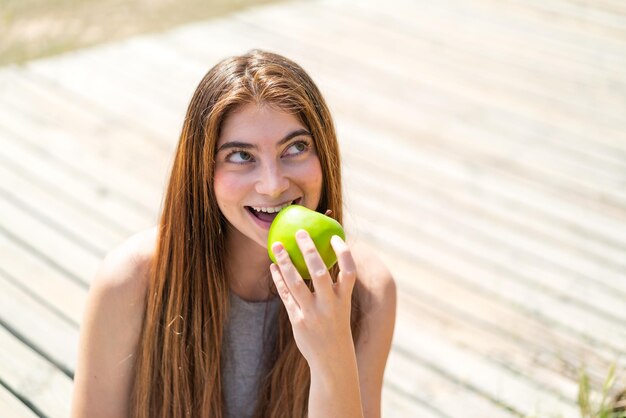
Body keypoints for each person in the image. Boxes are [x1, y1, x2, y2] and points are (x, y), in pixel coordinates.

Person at [70, 49, 396, 418]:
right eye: (241, 156)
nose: (273, 185)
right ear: (202, 169)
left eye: (296, 147)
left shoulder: (366, 291)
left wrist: (331, 355)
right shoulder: (131, 282)